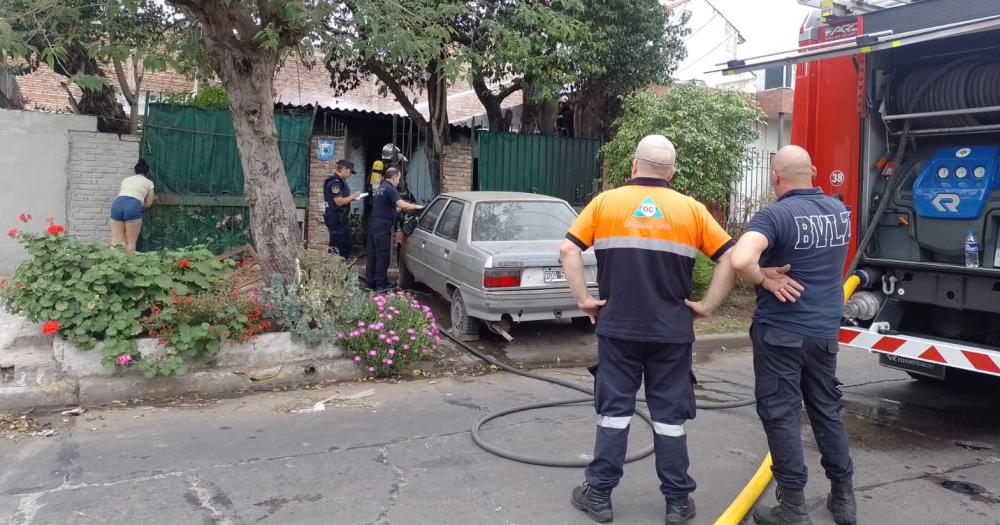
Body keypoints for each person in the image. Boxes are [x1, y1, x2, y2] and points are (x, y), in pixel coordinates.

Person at [560, 135, 739, 525]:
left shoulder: (606, 203)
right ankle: (677, 503)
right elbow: (731, 258)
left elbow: (568, 249)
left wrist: (583, 300)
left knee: (614, 414)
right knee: (669, 419)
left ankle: (600, 495)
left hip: (618, 329)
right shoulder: (691, 210)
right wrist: (707, 306)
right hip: (671, 333)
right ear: (672, 172)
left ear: (634, 167)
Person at [691, 145, 857, 525]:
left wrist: (764, 278)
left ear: (775, 178)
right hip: (824, 331)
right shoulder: (839, 212)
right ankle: (844, 498)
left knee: (780, 414)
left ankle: (794, 508)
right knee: (826, 409)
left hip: (782, 332)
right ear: (813, 171)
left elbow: (740, 258)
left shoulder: (775, 215)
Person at [366, 167, 423, 291]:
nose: (399, 181)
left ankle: (370, 283)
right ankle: (381, 285)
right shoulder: (390, 189)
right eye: (398, 178)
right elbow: (400, 204)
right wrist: (417, 206)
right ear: (393, 177)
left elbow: (389, 207)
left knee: (373, 255)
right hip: (382, 226)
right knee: (382, 255)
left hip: (374, 224)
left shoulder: (380, 188)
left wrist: (401, 209)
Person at [110, 158, 156, 254]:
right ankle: (129, 265)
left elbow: (121, 193)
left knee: (116, 240)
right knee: (130, 242)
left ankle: (113, 263)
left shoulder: (126, 179)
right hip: (133, 205)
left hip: (117, 204)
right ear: (147, 173)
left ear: (135, 171)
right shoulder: (149, 183)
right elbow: (148, 203)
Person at [324, 159, 361, 259]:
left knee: (346, 246)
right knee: (336, 248)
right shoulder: (334, 182)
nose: (350, 175)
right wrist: (352, 196)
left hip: (341, 219)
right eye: (350, 172)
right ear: (344, 169)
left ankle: (342, 270)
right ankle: (333, 271)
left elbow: (343, 200)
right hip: (336, 219)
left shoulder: (341, 182)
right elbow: (338, 201)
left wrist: (352, 199)